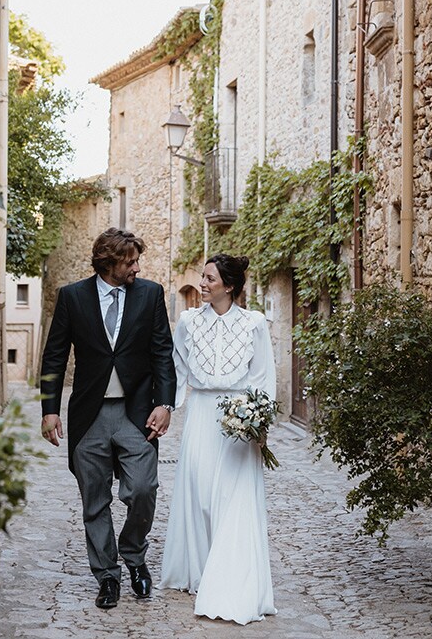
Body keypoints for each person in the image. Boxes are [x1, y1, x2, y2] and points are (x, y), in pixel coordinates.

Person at [40, 228, 177, 610]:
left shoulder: (150, 294)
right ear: (108, 262)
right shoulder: (72, 297)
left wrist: (165, 403)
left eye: (137, 260)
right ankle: (107, 576)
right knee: (94, 501)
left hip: (136, 413)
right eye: (129, 261)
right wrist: (49, 409)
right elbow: (54, 357)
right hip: (90, 414)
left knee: (143, 489)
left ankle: (135, 557)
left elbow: (162, 353)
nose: (137, 267)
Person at [159, 253, 277, 625]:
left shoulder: (255, 323)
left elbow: (262, 375)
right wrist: (168, 407)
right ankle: (200, 570)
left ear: (229, 286)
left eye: (209, 278)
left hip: (239, 418)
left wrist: (259, 420)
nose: (203, 283)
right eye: (202, 277)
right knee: (200, 494)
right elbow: (177, 368)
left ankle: (233, 577)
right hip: (200, 417)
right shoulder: (189, 322)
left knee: (234, 496)